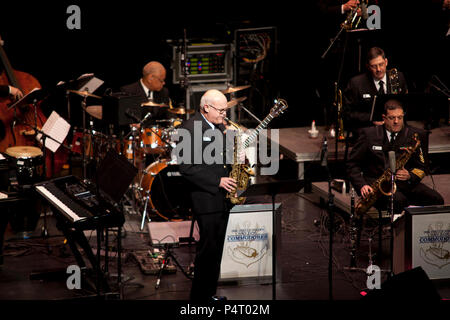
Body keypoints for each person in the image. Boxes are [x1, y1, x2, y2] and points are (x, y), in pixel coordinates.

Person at [177, 89, 237, 302]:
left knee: (216, 249)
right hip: (205, 197)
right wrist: (217, 181)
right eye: (221, 110)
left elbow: (223, 157)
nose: (224, 114)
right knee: (208, 249)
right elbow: (186, 167)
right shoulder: (188, 129)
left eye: (225, 110)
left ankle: (209, 294)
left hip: (222, 196)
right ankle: (199, 299)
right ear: (206, 108)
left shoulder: (220, 125)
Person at [347, 99, 444, 214]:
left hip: (406, 184)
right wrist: (362, 185)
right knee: (399, 201)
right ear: (384, 118)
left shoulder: (414, 136)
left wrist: (410, 175)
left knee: (436, 200)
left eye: (400, 117)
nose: (396, 122)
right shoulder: (369, 135)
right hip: (378, 187)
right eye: (392, 118)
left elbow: (423, 167)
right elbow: (352, 164)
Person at [343, 47, 408, 139]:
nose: (378, 69)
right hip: (369, 130)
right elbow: (347, 113)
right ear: (368, 66)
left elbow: (405, 105)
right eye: (374, 66)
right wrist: (371, 119)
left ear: (386, 62)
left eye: (381, 64)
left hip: (395, 127)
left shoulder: (398, 77)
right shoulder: (356, 83)